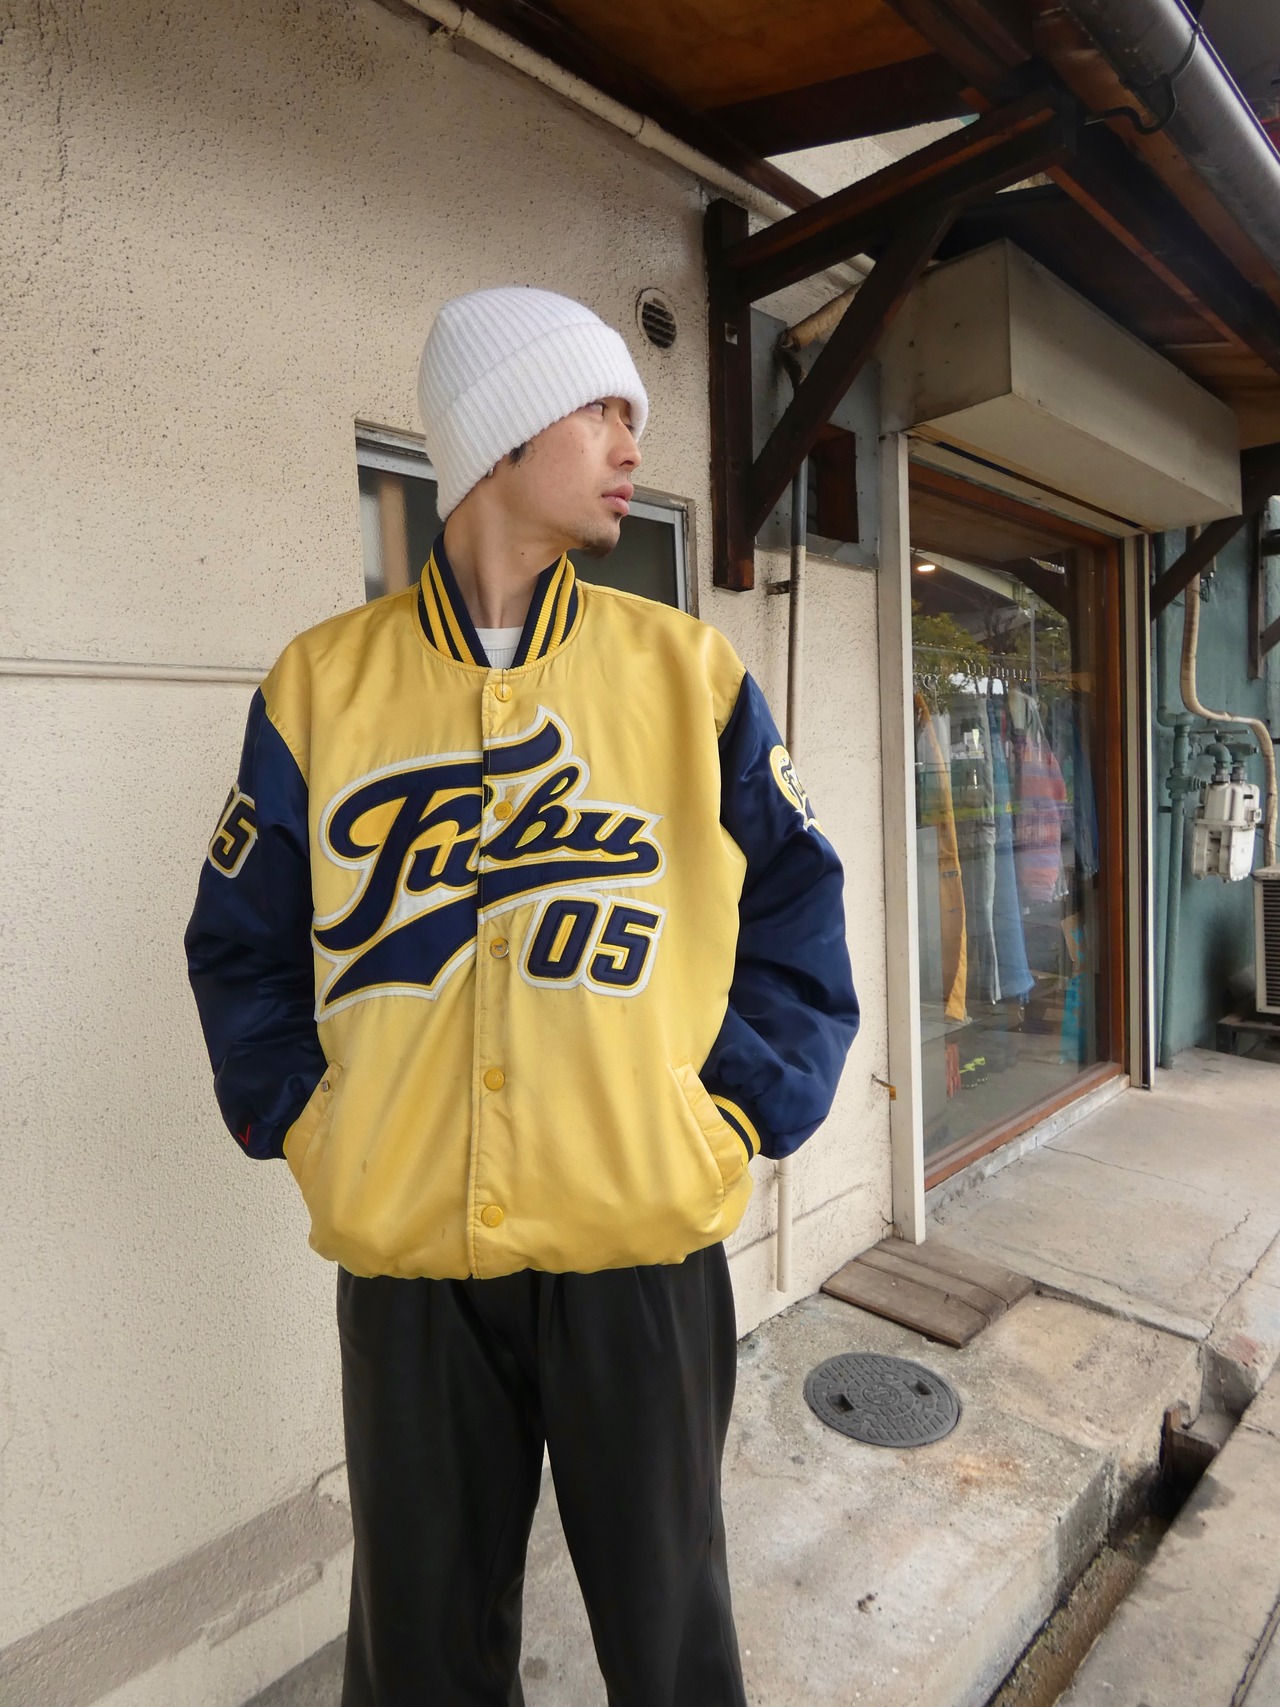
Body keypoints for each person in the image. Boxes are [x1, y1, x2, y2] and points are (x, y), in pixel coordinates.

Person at [185, 285, 858, 1707]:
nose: (632, 443)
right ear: (499, 434)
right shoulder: (322, 688)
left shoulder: (686, 673)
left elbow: (800, 910)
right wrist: (311, 1126)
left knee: (671, 1645)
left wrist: (732, 1113)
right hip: (413, 1268)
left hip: (639, 1252)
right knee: (419, 1658)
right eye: (600, 409)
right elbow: (241, 946)